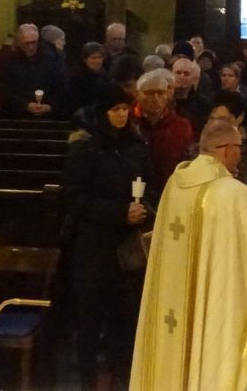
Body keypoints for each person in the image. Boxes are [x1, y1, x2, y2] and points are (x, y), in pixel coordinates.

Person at [129, 119, 247, 391]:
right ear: (227, 149)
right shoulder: (233, 193)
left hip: (173, 298)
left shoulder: (176, 183)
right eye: (239, 147)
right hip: (215, 300)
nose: (240, 153)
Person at [64, 83, 157, 391]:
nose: (121, 115)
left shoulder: (136, 144)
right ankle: (87, 383)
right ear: (103, 112)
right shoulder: (86, 147)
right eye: (115, 109)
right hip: (94, 247)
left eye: (124, 109)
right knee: (90, 321)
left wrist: (144, 209)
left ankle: (122, 380)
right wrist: (119, 212)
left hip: (128, 248)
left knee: (125, 321)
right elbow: (76, 198)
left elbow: (151, 186)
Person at [131, 70, 193, 189]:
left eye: (161, 93)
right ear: (137, 94)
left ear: (167, 96)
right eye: (149, 93)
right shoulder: (127, 123)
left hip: (170, 190)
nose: (155, 98)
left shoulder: (181, 126)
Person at [0, 23, 67, 118]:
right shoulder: (8, 61)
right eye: (26, 43)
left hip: (49, 114)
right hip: (18, 115)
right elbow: (5, 90)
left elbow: (61, 86)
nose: (31, 47)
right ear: (18, 42)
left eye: (34, 42)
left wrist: (50, 106)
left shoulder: (52, 57)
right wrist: (25, 105)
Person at [171, 56, 211, 134]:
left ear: (194, 79)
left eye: (186, 74)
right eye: (178, 73)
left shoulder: (203, 104)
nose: (181, 76)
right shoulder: (164, 100)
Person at [68, 41, 108, 118]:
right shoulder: (77, 78)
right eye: (93, 58)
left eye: (99, 57)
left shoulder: (106, 76)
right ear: (85, 59)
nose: (97, 61)